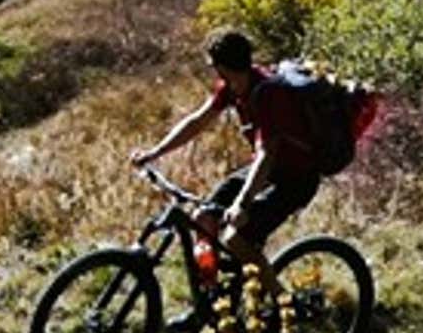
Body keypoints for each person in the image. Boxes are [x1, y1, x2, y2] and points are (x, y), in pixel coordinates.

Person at [130, 29, 359, 310]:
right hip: (268, 172)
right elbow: (198, 121)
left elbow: (266, 153)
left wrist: (242, 203)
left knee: (234, 237)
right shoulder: (232, 87)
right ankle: (213, 304)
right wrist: (155, 152)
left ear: (223, 67)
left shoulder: (270, 95)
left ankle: (286, 304)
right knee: (203, 218)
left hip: (295, 179)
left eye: (215, 67)